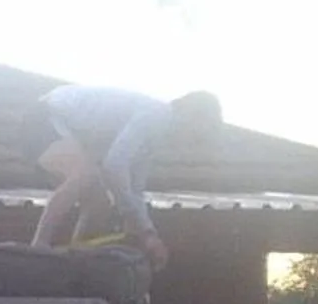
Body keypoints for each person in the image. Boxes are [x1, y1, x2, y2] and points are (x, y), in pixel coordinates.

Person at [24, 85, 222, 267]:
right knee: (86, 175)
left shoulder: (155, 137)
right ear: (192, 114)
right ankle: (38, 245)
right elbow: (114, 166)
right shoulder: (157, 115)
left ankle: (76, 257)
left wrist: (148, 233)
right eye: (199, 133)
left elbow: (135, 189)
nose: (193, 142)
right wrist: (132, 216)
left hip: (63, 127)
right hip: (46, 115)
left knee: (99, 201)